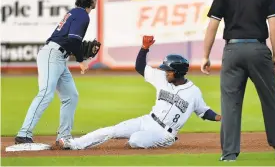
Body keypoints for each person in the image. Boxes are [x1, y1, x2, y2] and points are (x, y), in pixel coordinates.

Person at [57, 35, 222, 150]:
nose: (165, 72)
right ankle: (74, 144)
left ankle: (143, 140)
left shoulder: (193, 92)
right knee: (113, 130)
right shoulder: (162, 78)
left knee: (135, 140)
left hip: (165, 134)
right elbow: (140, 67)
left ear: (178, 72)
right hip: (147, 120)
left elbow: (204, 111)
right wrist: (144, 49)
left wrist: (219, 117)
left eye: (168, 70)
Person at [200, 0, 275, 161]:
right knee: (270, 101)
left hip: (232, 51)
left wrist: (205, 55)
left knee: (230, 104)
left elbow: (212, 25)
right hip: (258, 49)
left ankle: (229, 154)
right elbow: (274, 26)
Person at [15, 0, 101, 144]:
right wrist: (82, 60)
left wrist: (80, 52)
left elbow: (70, 41)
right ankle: (24, 133)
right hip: (52, 55)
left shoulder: (75, 12)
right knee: (46, 93)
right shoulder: (82, 15)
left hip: (59, 57)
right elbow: (74, 40)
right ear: (92, 0)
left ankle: (64, 136)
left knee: (71, 96)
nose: (97, 0)